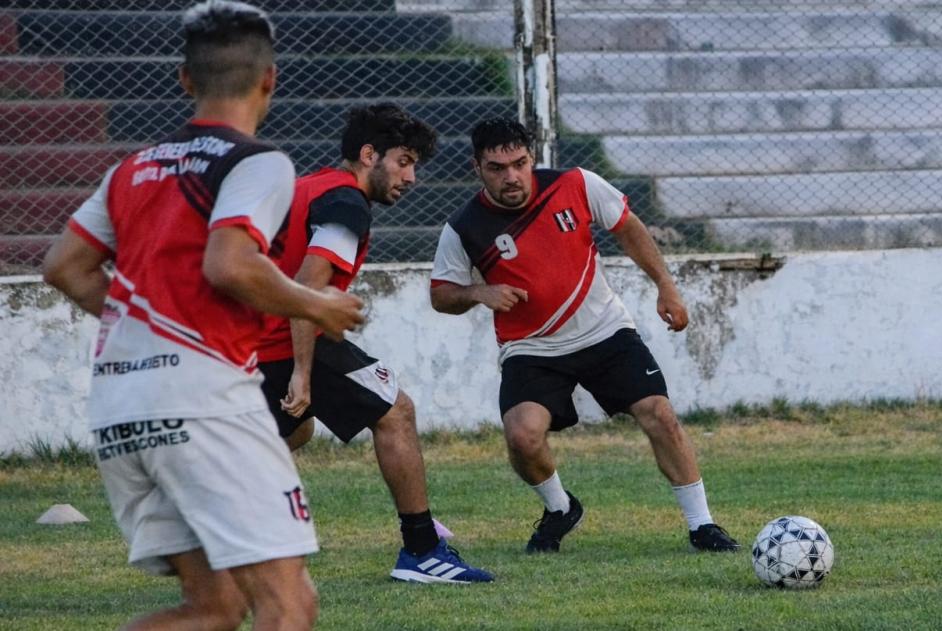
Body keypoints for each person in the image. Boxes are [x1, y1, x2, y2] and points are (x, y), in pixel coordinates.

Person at [40, 2, 364, 629]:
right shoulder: (258, 162)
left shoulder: (129, 170)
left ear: (185, 81)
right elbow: (231, 264)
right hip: (205, 402)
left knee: (214, 608)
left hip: (121, 407)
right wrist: (317, 303)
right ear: (270, 78)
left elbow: (64, 267)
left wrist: (147, 321)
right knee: (288, 603)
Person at [429, 118, 740, 554]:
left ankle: (702, 525)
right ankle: (560, 509)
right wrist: (479, 291)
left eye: (519, 163)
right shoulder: (464, 227)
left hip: (605, 330)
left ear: (532, 158)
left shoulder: (575, 184)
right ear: (476, 167)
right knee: (522, 436)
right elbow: (441, 296)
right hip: (531, 348)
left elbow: (628, 226)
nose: (511, 176)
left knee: (660, 413)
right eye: (497, 167)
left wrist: (666, 286)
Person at [256, 103, 493, 584]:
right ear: (369, 154)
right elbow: (310, 286)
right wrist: (302, 370)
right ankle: (423, 551)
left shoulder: (313, 185)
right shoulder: (346, 204)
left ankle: (224, 514)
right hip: (288, 336)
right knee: (395, 411)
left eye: (415, 165)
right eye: (403, 161)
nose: (410, 177)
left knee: (294, 431)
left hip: (254, 336)